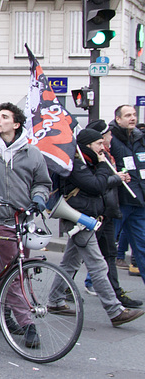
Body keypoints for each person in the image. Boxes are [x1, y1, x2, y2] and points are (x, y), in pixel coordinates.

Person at [0, 102, 51, 348]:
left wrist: (39, 198)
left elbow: (42, 183)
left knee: (16, 270)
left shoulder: (32, 152)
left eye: (4, 116)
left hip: (24, 219)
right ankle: (28, 324)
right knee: (15, 273)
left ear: (16, 124)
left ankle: (1, 316)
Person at [47, 128, 144, 328]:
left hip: (85, 218)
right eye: (99, 144)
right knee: (98, 265)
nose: (103, 147)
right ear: (88, 145)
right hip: (79, 219)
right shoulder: (76, 165)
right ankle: (115, 310)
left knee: (70, 264)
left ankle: (55, 300)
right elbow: (95, 186)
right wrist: (103, 166)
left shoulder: (88, 162)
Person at [83, 120, 142, 307]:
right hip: (95, 212)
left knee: (108, 253)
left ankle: (115, 295)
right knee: (82, 257)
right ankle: (69, 289)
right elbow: (95, 184)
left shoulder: (107, 154)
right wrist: (116, 177)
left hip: (111, 208)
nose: (107, 140)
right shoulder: (87, 159)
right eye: (102, 140)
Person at [109, 105, 145, 285]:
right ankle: (93, 281)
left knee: (143, 245)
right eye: (128, 115)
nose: (133, 118)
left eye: (134, 115)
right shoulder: (110, 139)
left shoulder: (139, 138)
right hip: (119, 201)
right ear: (118, 119)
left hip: (138, 200)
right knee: (108, 246)